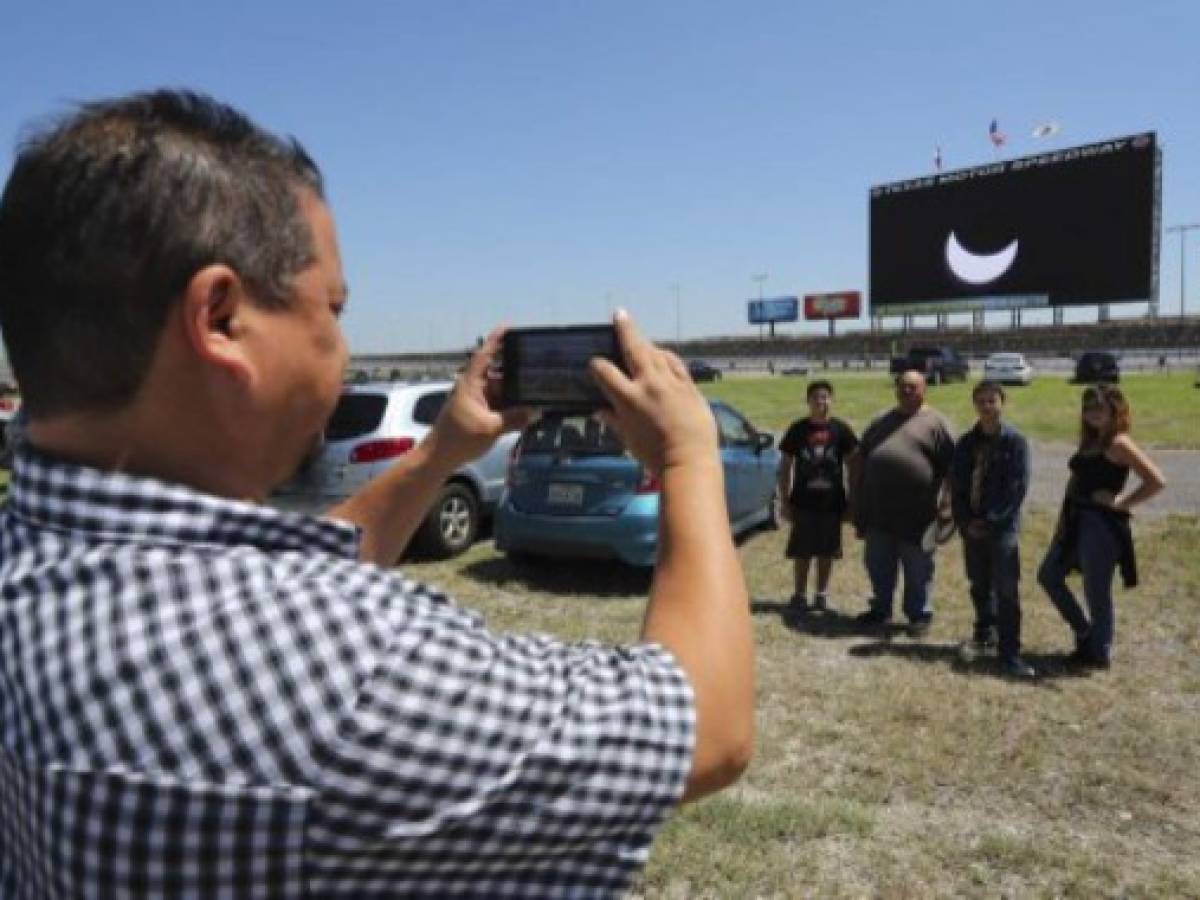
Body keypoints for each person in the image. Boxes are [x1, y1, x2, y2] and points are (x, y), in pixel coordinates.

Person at [0, 90, 754, 897]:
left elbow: (280, 580)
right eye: (332, 309)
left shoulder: (37, 563)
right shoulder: (347, 667)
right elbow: (704, 726)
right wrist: (686, 460)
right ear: (219, 317)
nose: (343, 351)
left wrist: (443, 450)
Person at [1037, 384, 1165, 669]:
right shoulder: (1091, 439)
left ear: (1113, 410)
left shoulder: (1119, 443)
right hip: (1075, 520)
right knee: (1048, 575)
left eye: (1098, 407)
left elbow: (1156, 480)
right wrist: (1061, 521)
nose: (1091, 413)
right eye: (1087, 408)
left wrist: (1122, 502)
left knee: (1097, 592)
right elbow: (1075, 480)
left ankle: (1099, 652)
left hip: (1101, 526)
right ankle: (1085, 633)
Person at [850, 370, 954, 635]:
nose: (907, 391)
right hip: (879, 512)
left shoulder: (936, 424)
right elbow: (861, 456)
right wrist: (857, 498)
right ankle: (880, 609)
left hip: (918, 515)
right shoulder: (882, 420)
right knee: (878, 564)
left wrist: (947, 503)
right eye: (902, 386)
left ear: (924, 390)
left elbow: (954, 468)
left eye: (913, 387)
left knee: (918, 569)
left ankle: (919, 615)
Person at [949, 381, 1035, 678]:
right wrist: (965, 521)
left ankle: (1010, 652)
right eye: (981, 401)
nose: (987, 406)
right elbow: (957, 486)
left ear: (1002, 403)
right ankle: (985, 632)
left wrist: (989, 521)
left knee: (1007, 589)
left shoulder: (1015, 442)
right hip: (971, 528)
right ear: (975, 405)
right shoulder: (965, 443)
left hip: (1001, 530)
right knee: (979, 584)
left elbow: (1017, 489)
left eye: (992, 401)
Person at [777, 380, 859, 612]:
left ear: (831, 400)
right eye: (816, 397)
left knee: (827, 550)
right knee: (801, 551)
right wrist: (784, 499)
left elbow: (854, 463)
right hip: (803, 501)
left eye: (825, 397)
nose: (820, 402)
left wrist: (853, 500)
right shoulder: (798, 429)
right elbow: (785, 464)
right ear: (808, 401)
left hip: (832, 502)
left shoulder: (841, 429)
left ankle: (822, 594)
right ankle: (799, 594)